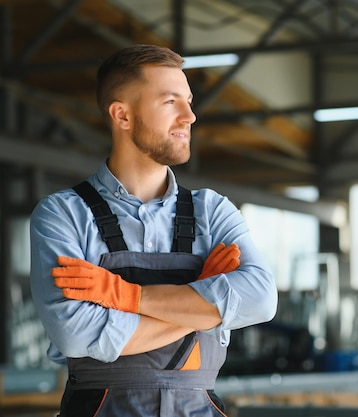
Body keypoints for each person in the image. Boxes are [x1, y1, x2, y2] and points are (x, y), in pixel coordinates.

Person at [29, 44, 278, 417]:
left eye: (189, 101)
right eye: (170, 102)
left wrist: (128, 297)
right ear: (122, 116)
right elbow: (76, 334)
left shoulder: (213, 211)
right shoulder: (62, 215)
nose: (190, 116)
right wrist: (204, 304)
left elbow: (261, 299)